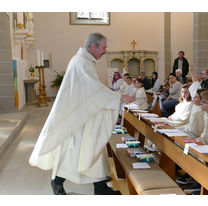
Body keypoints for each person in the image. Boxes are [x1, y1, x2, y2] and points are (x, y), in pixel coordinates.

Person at [29, 32, 132, 195]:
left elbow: (93, 88)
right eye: (103, 47)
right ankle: (58, 181)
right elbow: (94, 90)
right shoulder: (81, 62)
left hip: (83, 113)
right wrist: (120, 97)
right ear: (93, 46)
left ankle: (99, 187)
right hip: (78, 115)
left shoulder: (84, 61)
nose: (105, 51)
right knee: (76, 151)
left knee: (92, 147)